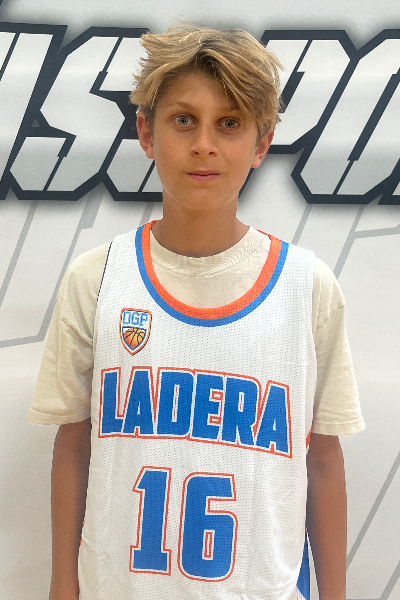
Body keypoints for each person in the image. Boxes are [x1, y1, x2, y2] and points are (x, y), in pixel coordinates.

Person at [28, 23, 365, 600]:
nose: (204, 144)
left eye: (229, 123)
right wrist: (64, 585)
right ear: (147, 132)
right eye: (184, 119)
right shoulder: (98, 278)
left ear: (261, 143)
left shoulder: (307, 287)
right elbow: (73, 444)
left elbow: (324, 462)